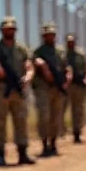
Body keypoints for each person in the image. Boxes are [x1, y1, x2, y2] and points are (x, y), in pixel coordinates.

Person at [0, 16, 35, 166]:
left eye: (12, 29)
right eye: (7, 29)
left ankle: (23, 153)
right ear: (2, 31)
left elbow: (28, 64)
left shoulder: (21, 48)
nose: (10, 31)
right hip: (2, 88)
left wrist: (28, 76)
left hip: (18, 88)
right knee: (0, 122)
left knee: (21, 121)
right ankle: (0, 155)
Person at [31, 23, 71, 157]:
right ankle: (44, 145)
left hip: (57, 88)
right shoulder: (39, 51)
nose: (50, 37)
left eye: (52, 35)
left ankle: (53, 144)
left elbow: (66, 67)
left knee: (56, 117)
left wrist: (67, 79)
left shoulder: (60, 52)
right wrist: (42, 66)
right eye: (47, 35)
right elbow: (33, 61)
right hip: (43, 87)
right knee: (44, 116)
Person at [64, 33, 86, 144]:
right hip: (66, 86)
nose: (70, 43)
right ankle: (60, 132)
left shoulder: (81, 54)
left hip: (79, 85)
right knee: (61, 109)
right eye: (69, 42)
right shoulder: (63, 54)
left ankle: (77, 133)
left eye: (72, 41)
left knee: (78, 110)